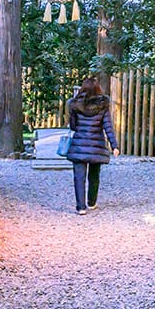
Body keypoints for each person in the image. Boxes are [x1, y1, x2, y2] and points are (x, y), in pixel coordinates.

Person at [64, 78, 118, 214]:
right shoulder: (102, 105)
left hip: (79, 145)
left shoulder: (75, 105)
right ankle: (92, 202)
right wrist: (114, 145)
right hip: (96, 146)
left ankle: (81, 207)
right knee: (94, 175)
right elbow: (108, 127)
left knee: (79, 177)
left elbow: (73, 126)